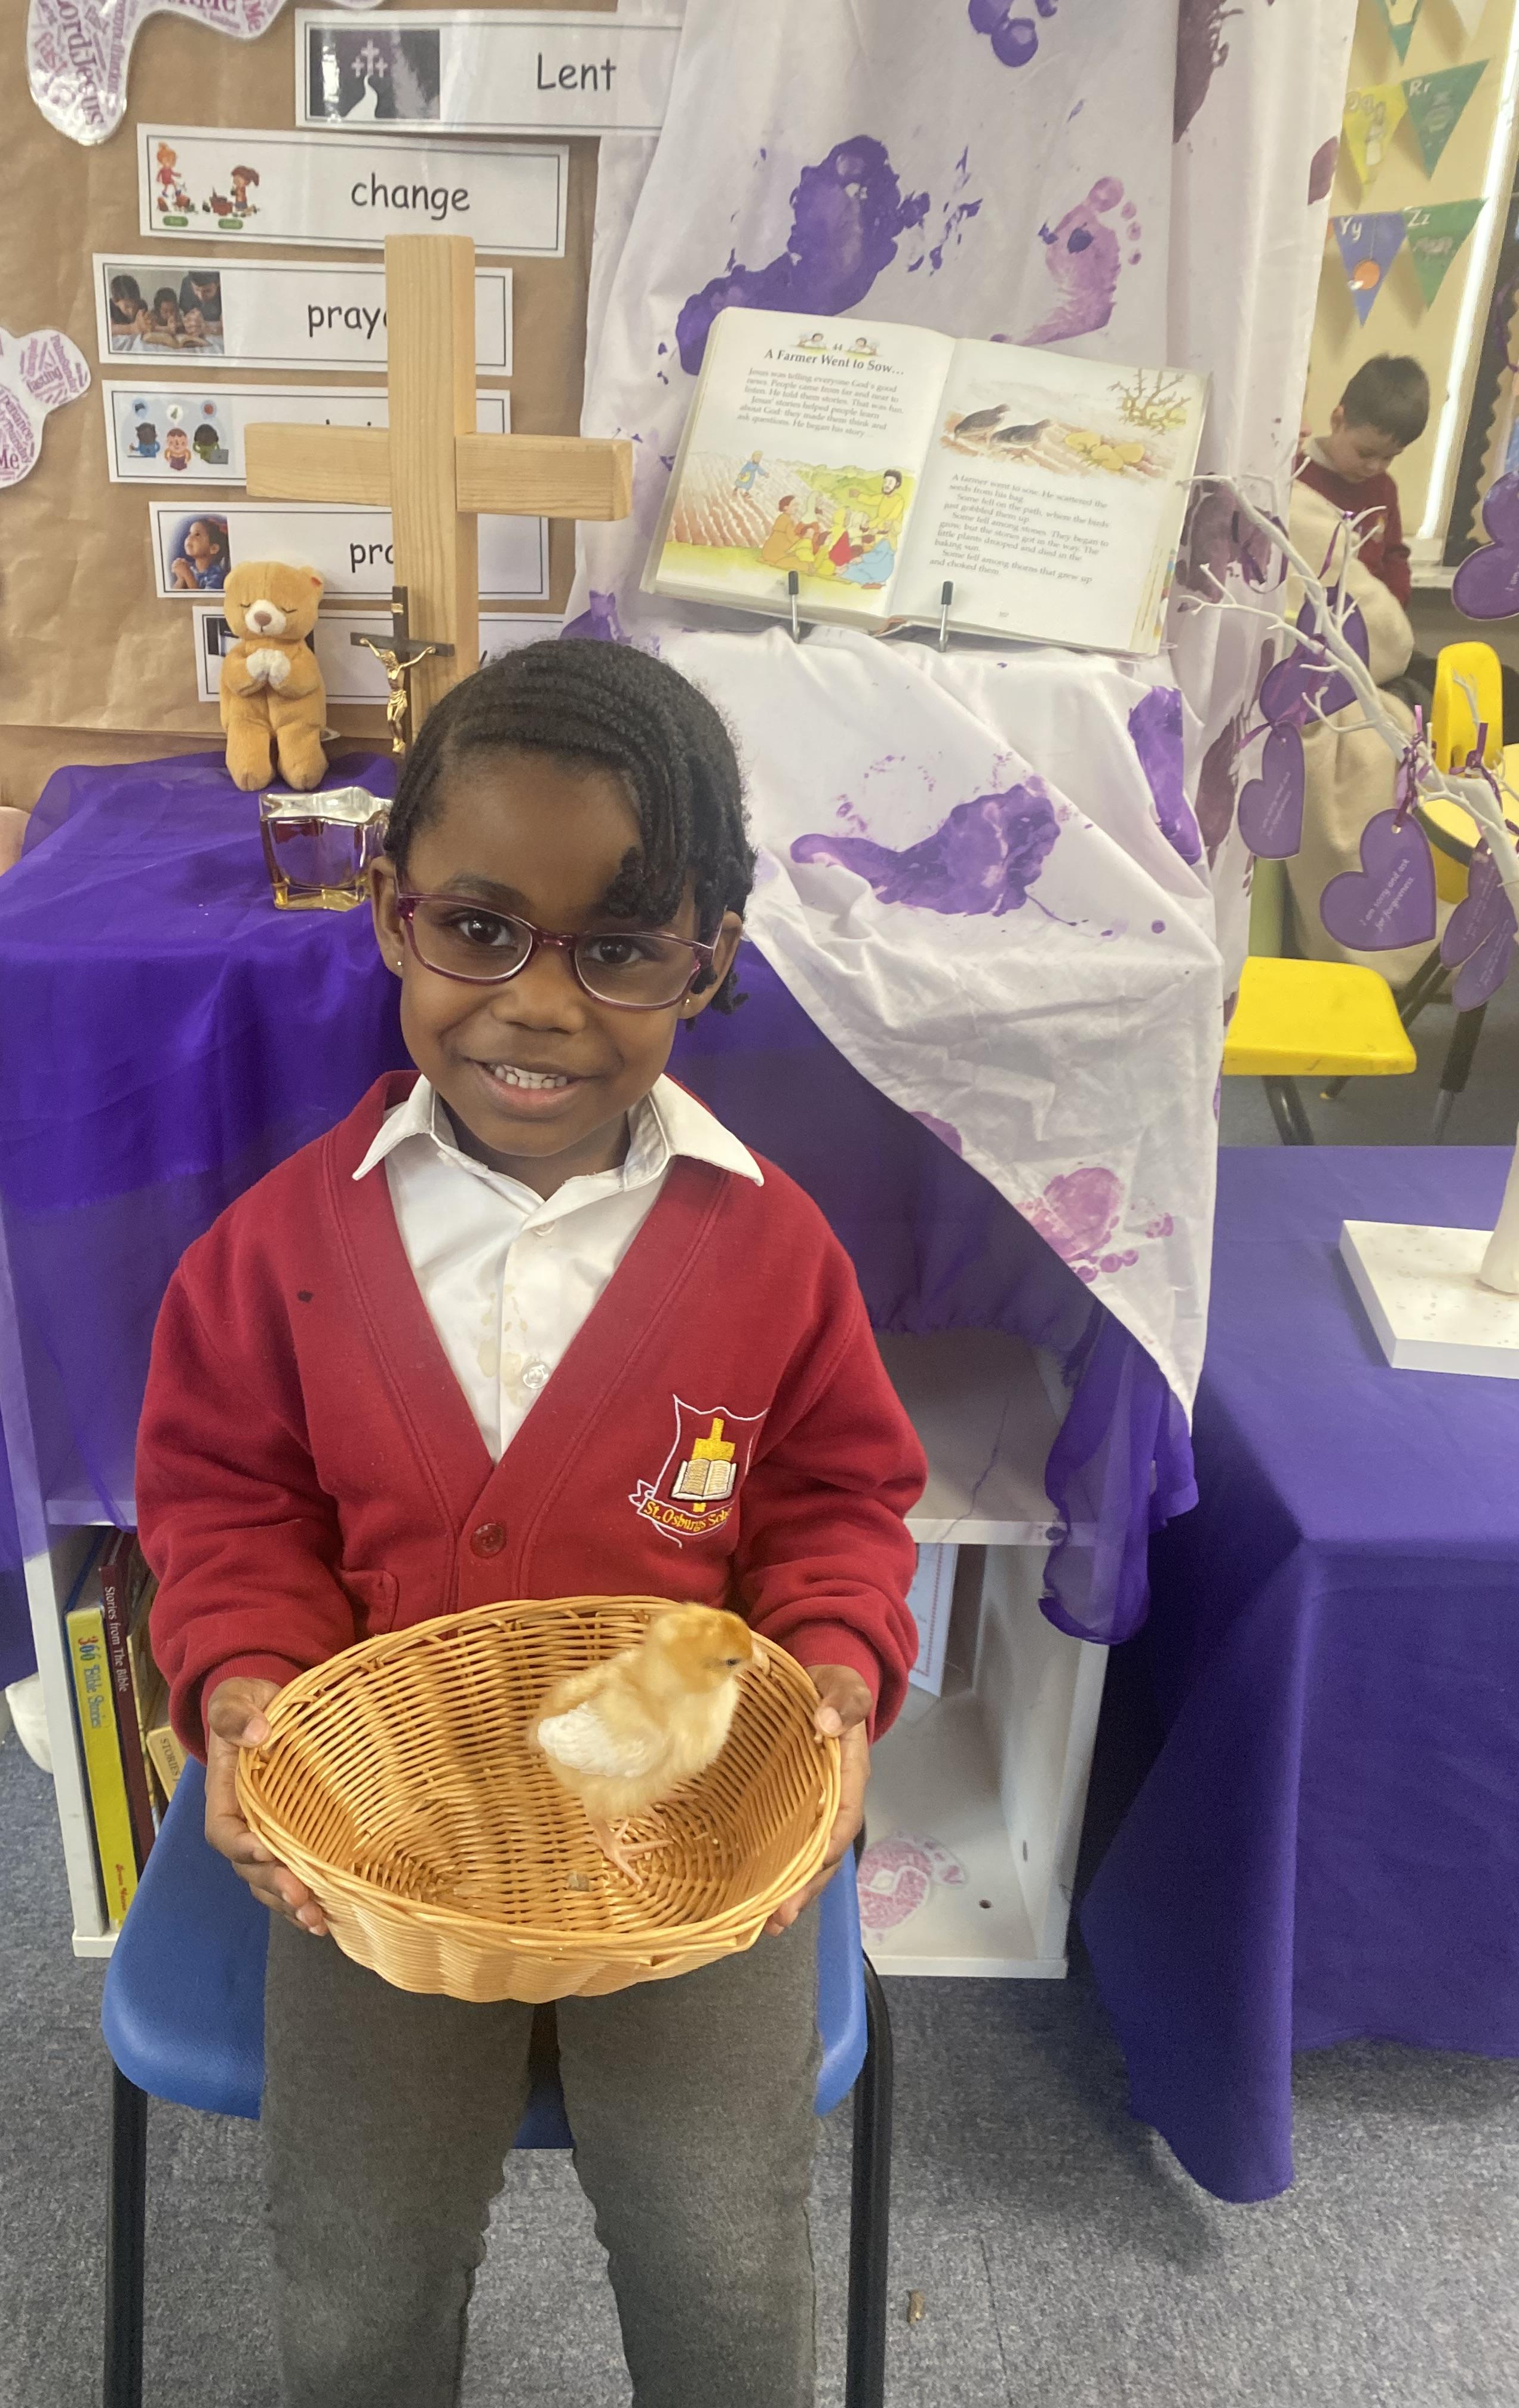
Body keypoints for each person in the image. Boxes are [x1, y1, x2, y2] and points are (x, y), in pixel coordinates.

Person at [136, 640, 926, 2408]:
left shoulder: (773, 1250)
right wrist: (250, 1684)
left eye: (622, 948)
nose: (542, 1005)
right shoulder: (275, 1255)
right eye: (481, 930)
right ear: (392, 914)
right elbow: (227, 1508)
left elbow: (837, 1499)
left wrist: (831, 1659)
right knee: (357, 2290)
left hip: (691, 1833)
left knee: (725, 2272)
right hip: (383, 1845)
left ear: (708, 959)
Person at [1296, 353, 1429, 606]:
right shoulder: (1297, 474)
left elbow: (1394, 555)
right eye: (1365, 453)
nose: (1374, 467)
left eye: (1389, 457)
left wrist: (1394, 605)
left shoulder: (1384, 489)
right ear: (1338, 421)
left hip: (1368, 617)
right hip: (1306, 611)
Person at [169, 515, 229, 590]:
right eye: (190, 533)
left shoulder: (217, 575)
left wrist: (187, 575)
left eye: (197, 534)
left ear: (213, 548)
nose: (189, 538)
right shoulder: (190, 568)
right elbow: (174, 594)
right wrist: (181, 579)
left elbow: (204, 597)